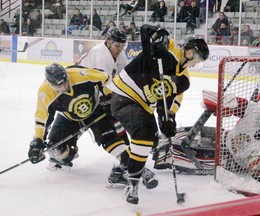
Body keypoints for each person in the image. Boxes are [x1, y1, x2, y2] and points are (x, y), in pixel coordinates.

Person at [108, 24, 209, 204]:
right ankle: (133, 184)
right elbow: (146, 30)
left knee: (152, 140)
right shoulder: (166, 48)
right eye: (197, 59)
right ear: (190, 52)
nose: (196, 64)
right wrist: (156, 34)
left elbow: (166, 103)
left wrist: (167, 120)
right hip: (125, 94)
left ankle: (121, 171)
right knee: (144, 135)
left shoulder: (184, 80)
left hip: (142, 105)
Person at [78, 28, 158, 189]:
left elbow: (125, 78)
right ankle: (127, 166)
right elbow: (105, 86)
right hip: (85, 96)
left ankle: (124, 167)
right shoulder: (101, 55)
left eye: (122, 45)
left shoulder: (119, 54)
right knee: (110, 129)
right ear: (108, 42)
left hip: (101, 95)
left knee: (117, 126)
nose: (120, 49)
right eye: (117, 46)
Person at [28, 63, 128, 172]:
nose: (63, 88)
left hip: (95, 110)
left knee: (109, 140)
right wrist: (38, 140)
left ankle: (130, 163)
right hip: (68, 118)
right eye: (58, 86)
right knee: (54, 148)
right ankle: (68, 155)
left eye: (65, 83)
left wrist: (109, 98)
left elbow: (106, 78)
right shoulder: (45, 92)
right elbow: (42, 119)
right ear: (50, 84)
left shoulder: (80, 74)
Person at [201, 89, 260, 183]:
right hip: (227, 136)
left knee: (205, 157)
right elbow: (245, 105)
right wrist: (230, 104)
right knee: (200, 132)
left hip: (233, 159)